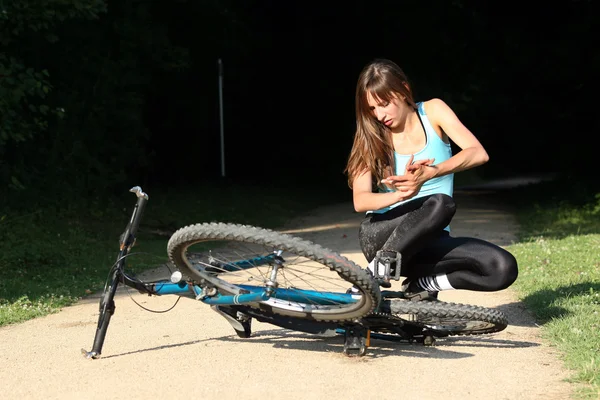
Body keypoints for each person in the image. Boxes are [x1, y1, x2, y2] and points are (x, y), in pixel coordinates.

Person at [344, 58, 518, 300]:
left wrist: (432, 172)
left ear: (404, 90)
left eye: (384, 104)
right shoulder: (370, 134)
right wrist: (401, 194)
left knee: (502, 267)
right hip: (382, 237)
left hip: (428, 244)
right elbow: (360, 201)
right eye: (372, 109)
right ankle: (372, 275)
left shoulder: (433, 111)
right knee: (440, 203)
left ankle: (424, 284)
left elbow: (478, 153)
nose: (380, 115)